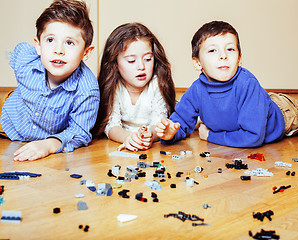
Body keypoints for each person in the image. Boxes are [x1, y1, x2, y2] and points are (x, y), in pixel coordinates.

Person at [156, 21, 298, 148]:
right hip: (259, 103)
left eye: (230, 49)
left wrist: (211, 136)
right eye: (212, 51)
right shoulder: (197, 90)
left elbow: (253, 137)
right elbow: (181, 121)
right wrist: (171, 133)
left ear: (239, 59)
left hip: (286, 115)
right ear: (197, 63)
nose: (223, 55)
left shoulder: (247, 84)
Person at [0, 0, 100, 161]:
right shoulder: (25, 59)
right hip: (8, 121)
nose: (58, 50)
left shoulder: (87, 90)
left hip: (43, 136)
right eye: (50, 40)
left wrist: (49, 144)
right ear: (38, 46)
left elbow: (79, 131)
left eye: (69, 43)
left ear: (86, 53)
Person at [92, 22, 176, 152]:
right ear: (115, 62)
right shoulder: (114, 86)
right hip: (127, 135)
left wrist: (148, 136)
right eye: (131, 61)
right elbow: (111, 126)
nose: (141, 66)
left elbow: (158, 124)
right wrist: (129, 137)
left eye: (148, 59)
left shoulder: (157, 83)